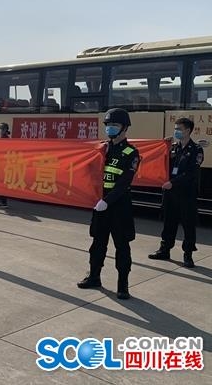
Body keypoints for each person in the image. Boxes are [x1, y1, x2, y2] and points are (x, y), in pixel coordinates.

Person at [77, 108, 140, 300]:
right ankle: (94, 277)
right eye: (108, 125)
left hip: (119, 206)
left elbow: (124, 182)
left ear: (125, 128)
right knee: (97, 243)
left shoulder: (131, 153)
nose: (110, 128)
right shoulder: (101, 149)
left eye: (115, 125)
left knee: (122, 246)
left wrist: (107, 201)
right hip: (100, 204)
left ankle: (123, 285)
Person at [148, 117, 203, 268]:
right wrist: (163, 146)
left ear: (188, 131)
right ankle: (164, 249)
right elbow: (161, 163)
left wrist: (173, 183)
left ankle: (188, 254)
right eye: (175, 128)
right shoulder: (172, 147)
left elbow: (191, 173)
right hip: (170, 192)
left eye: (179, 129)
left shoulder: (196, 149)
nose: (176, 131)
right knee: (169, 221)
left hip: (186, 193)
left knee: (188, 224)